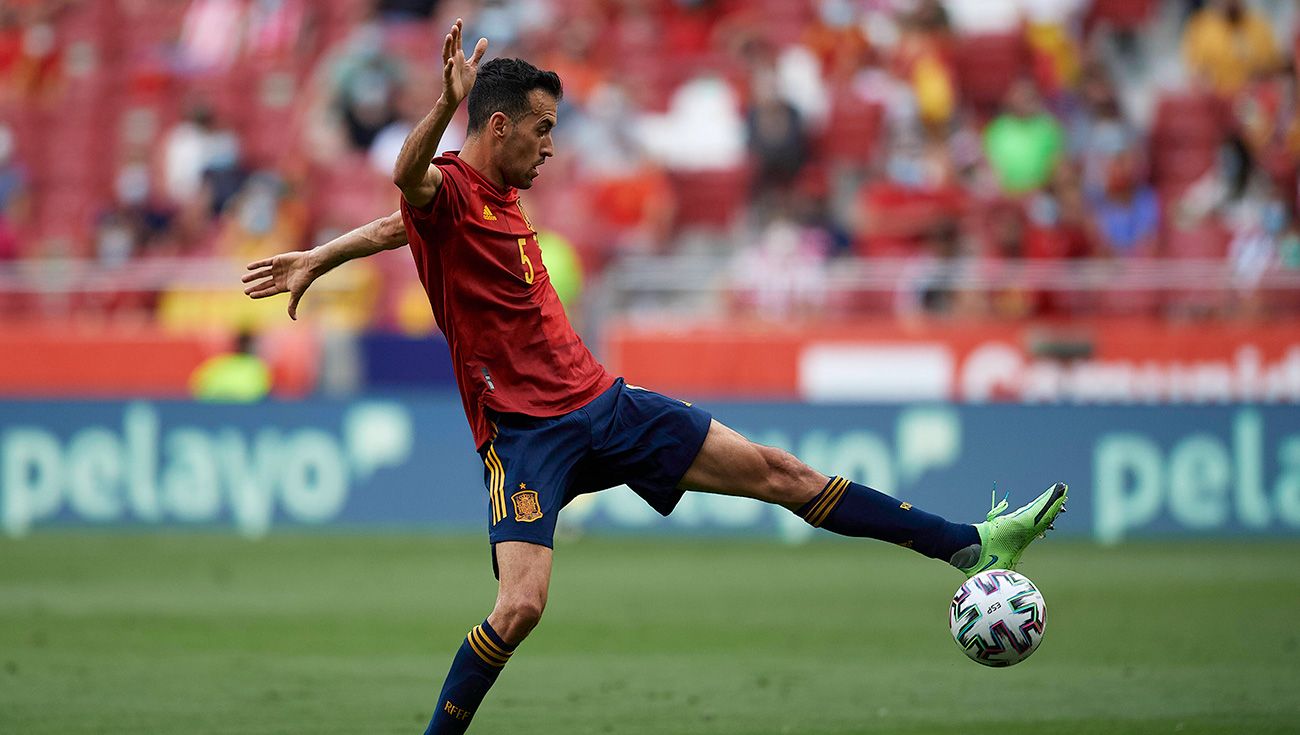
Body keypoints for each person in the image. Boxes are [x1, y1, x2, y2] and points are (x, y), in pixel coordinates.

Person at [241, 19, 1068, 734]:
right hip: (524, 436)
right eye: (542, 128)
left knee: (786, 473)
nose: (552, 144)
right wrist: (435, 111)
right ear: (495, 127)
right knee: (520, 607)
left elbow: (399, 220)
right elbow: (409, 182)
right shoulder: (450, 184)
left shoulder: (487, 193)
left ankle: (970, 542)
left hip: (605, 404)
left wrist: (323, 252)